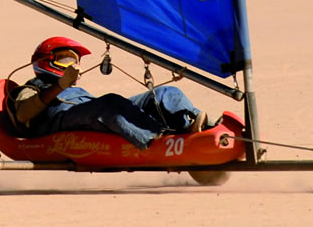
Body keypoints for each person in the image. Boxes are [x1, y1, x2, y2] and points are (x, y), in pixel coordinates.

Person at [12, 35, 209, 150]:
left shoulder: (73, 88)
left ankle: (194, 128)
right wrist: (60, 86)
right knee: (110, 104)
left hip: (95, 114)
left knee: (163, 93)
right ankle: (160, 140)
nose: (72, 65)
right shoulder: (31, 88)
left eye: (75, 61)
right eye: (65, 60)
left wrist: (66, 85)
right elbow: (23, 114)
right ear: (45, 61)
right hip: (64, 123)